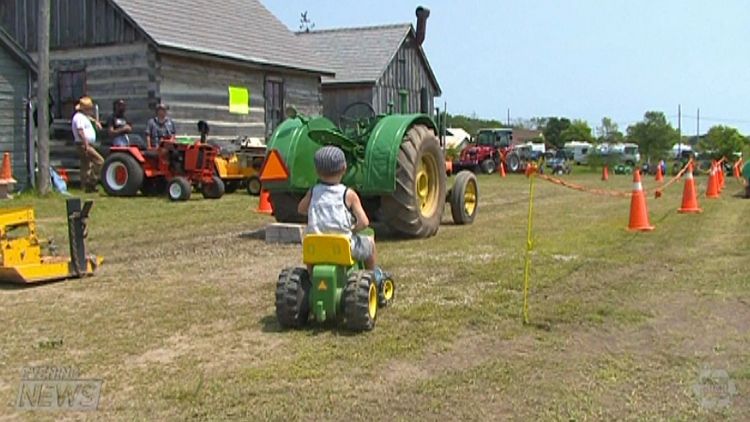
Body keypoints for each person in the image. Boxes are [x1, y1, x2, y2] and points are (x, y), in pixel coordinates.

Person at [297, 145, 383, 280]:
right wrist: (354, 228)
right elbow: (364, 222)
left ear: (317, 171)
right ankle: (372, 275)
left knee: (312, 248)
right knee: (370, 243)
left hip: (316, 248)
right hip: (342, 247)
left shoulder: (313, 192)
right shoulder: (348, 194)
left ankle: (311, 278)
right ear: (344, 169)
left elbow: (301, 209)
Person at [71, 96, 104, 193]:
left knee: (86, 165)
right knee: (100, 161)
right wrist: (86, 144)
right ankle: (91, 182)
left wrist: (95, 121)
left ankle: (85, 185)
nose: (91, 110)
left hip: (84, 144)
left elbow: (89, 118)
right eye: (89, 108)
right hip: (83, 144)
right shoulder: (79, 118)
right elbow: (80, 131)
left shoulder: (83, 116)